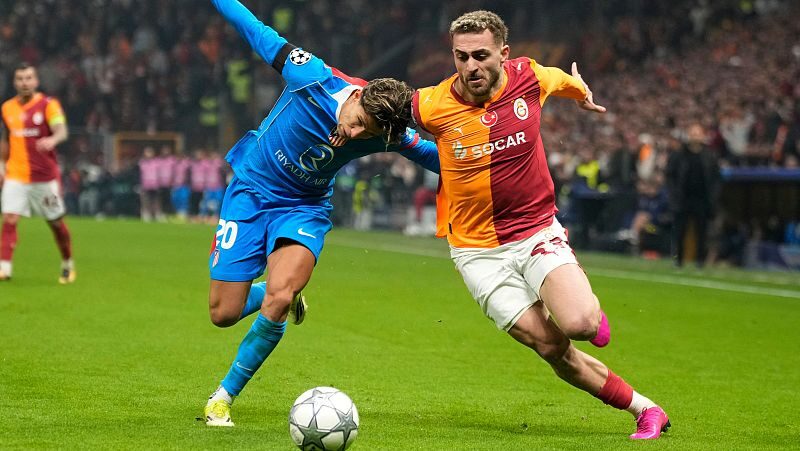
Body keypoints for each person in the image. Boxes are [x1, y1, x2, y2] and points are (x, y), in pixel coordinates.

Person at [412, 11, 670, 440]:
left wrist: (581, 92)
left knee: (580, 325)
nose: (471, 66)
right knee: (552, 347)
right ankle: (646, 409)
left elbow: (563, 80)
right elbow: (375, 104)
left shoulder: (529, 77)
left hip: (535, 231)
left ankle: (586, 309)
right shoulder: (431, 103)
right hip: (477, 253)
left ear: (504, 53)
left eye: (481, 55)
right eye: (461, 57)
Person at [204, 0, 440, 427]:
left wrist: (493, 162)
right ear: (357, 96)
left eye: (366, 134)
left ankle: (222, 398)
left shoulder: (387, 130)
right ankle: (279, 292)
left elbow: (431, 155)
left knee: (278, 299)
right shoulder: (311, 75)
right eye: (357, 121)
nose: (354, 133)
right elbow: (253, 28)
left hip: (304, 206)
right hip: (251, 192)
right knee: (223, 314)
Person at [0, 63, 75, 283]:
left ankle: (67, 262)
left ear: (36, 81)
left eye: (28, 78)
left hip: (44, 178)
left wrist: (53, 139)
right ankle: (4, 268)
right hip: (16, 175)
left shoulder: (48, 105)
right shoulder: (7, 108)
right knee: (10, 218)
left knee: (56, 223)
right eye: (20, 78)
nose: (25, 82)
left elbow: (62, 130)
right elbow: (5, 139)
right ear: (14, 82)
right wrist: (2, 164)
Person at [666, 122, 720, 267]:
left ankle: (700, 261)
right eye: (692, 133)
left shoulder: (709, 156)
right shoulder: (679, 154)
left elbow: (715, 179)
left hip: (702, 200)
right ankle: (678, 260)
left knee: (701, 231)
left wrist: (712, 198)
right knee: (680, 231)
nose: (695, 136)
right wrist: (674, 195)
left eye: (698, 133)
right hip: (682, 199)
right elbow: (670, 176)